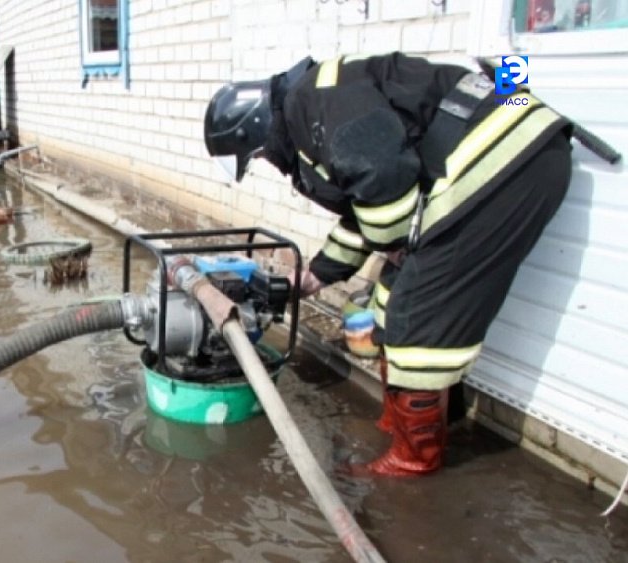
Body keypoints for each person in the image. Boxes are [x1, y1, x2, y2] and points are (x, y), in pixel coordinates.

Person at [204, 52, 573, 476]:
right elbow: (367, 204)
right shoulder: (316, 99)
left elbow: (383, 181)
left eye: (261, 155)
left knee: (413, 320)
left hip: (509, 162)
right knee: (393, 294)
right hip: (517, 148)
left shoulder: (314, 107)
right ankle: (405, 420)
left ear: (257, 130)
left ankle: (415, 460)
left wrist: (397, 242)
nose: (268, 161)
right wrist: (315, 276)